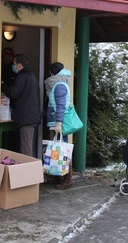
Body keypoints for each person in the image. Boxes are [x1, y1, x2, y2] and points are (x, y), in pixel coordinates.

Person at [1, 53, 41, 157]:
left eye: (14, 64)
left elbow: (13, 93)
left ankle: (27, 172)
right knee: (30, 146)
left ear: (19, 65)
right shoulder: (32, 76)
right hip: (31, 116)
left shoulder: (22, 77)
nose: (13, 66)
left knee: (26, 148)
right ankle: (31, 171)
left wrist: (2, 85)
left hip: (26, 117)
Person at [44, 62, 74, 190]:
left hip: (60, 122)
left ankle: (67, 178)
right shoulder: (60, 83)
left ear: (52, 73)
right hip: (57, 121)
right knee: (58, 149)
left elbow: (60, 106)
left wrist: (58, 123)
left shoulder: (59, 85)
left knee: (64, 150)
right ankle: (58, 175)